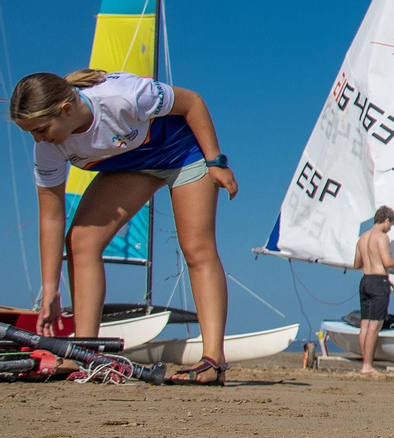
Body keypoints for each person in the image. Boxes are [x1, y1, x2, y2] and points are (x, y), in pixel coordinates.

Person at [11, 70, 239, 385]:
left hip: (182, 152)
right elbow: (50, 216)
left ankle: (213, 361)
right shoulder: (49, 148)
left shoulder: (123, 97)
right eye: (30, 133)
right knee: (81, 241)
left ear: (65, 110)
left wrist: (216, 163)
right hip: (132, 165)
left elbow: (192, 103)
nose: (38, 139)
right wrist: (50, 289)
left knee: (197, 248)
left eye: (40, 129)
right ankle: (83, 354)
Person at [355, 205, 394, 374]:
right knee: (375, 325)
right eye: (391, 225)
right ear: (386, 220)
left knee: (365, 324)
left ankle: (364, 364)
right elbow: (388, 262)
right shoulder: (381, 237)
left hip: (365, 280)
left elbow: (356, 264)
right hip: (378, 280)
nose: (390, 229)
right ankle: (368, 366)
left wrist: (369, 261)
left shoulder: (362, 238)